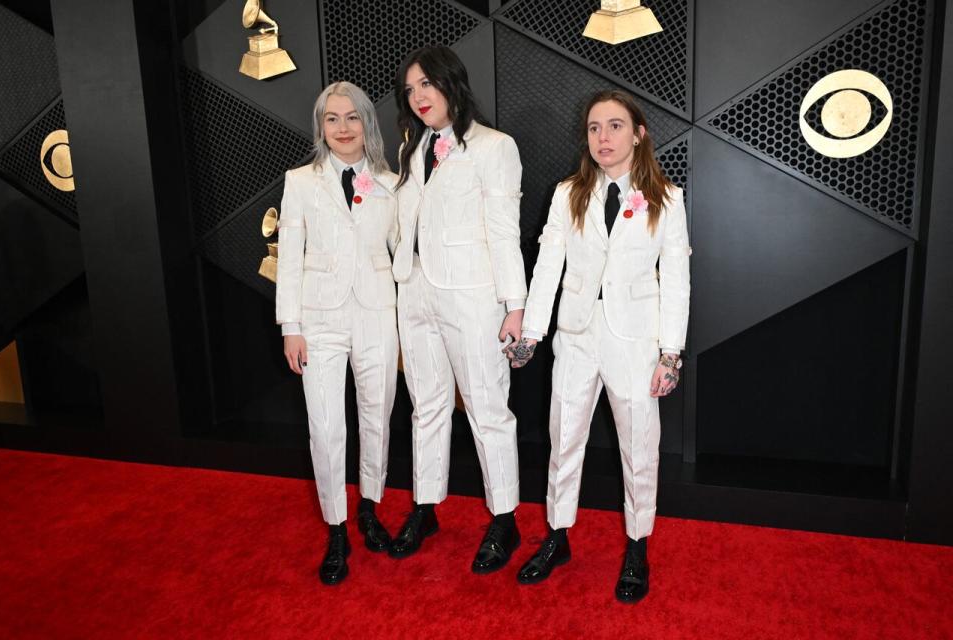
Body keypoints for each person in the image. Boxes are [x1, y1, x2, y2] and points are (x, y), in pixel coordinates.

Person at [506, 89, 691, 603]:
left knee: (639, 448)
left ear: (638, 133)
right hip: (577, 334)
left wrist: (670, 353)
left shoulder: (667, 199)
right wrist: (532, 334)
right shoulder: (568, 194)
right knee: (562, 436)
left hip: (636, 342)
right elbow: (547, 267)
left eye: (614, 126)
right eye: (593, 128)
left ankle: (637, 546)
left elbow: (677, 280)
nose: (603, 138)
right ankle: (557, 535)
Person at [389, 45, 528, 574]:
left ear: (452, 83)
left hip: (473, 296)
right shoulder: (411, 147)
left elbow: (503, 231)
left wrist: (514, 305)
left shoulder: (495, 147)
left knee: (488, 409)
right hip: (416, 290)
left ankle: (505, 519)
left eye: (427, 84)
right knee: (426, 405)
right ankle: (426, 507)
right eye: (410, 89)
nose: (419, 96)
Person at [275, 81, 399, 586]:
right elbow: (289, 260)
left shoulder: (391, 183)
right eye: (332, 119)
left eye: (352, 118)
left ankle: (369, 507)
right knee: (326, 429)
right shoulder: (300, 181)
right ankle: (336, 527)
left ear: (367, 123)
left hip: (377, 315)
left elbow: (403, 254)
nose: (343, 128)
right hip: (319, 319)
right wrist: (291, 327)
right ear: (320, 126)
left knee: (377, 419)